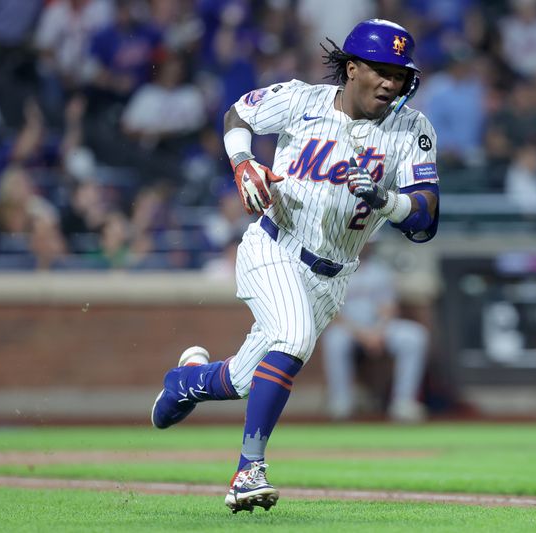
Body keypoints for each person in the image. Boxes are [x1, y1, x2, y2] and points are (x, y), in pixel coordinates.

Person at [150, 18, 439, 514]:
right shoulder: (302, 100)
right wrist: (243, 163)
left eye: (400, 72)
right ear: (352, 68)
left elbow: (427, 215)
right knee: (293, 337)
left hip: (335, 274)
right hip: (274, 245)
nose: (392, 82)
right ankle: (248, 470)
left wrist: (389, 201)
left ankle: (186, 382)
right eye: (382, 69)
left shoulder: (412, 128)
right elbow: (237, 116)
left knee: (244, 380)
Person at [321, 242, 429, 423]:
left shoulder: (380, 270)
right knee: (334, 340)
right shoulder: (333, 268)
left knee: (415, 336)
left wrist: (378, 331)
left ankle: (404, 402)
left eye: (367, 242)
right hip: (348, 329)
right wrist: (362, 334)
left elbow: (388, 308)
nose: (363, 245)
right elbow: (332, 314)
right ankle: (341, 402)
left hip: (379, 328)